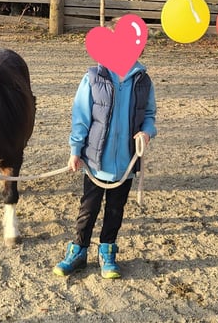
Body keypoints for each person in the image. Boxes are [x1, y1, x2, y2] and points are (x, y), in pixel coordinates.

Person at [53, 34, 157, 279]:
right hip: (96, 161)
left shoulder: (143, 80)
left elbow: (149, 114)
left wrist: (147, 132)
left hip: (126, 162)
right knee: (88, 208)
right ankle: (78, 250)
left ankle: (107, 251)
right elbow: (81, 116)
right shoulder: (93, 78)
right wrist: (75, 150)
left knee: (115, 209)